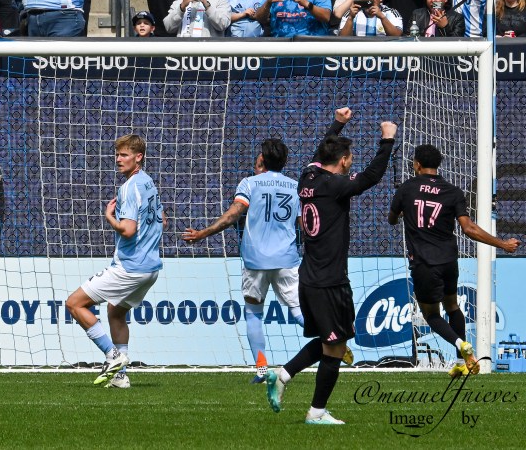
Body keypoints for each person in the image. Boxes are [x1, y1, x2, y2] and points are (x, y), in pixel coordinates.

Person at [267, 108, 397, 425]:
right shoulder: (336, 185)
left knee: (333, 341)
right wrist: (387, 140)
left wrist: (337, 124)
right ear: (343, 161)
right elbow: (372, 176)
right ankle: (316, 412)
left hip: (310, 277)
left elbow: (321, 153)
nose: (352, 161)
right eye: (350, 156)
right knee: (335, 347)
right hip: (329, 282)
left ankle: (283, 376)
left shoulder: (307, 177)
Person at [388, 144, 520, 377]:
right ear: (438, 165)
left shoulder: (407, 188)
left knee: (431, 315)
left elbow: (391, 219)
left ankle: (461, 345)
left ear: (417, 164)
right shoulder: (453, 192)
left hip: (424, 263)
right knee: (452, 306)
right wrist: (503, 244)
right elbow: (468, 228)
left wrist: (402, 212)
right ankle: (461, 362)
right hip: (449, 261)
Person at [183, 138, 303, 382]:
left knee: (253, 314)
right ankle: (332, 339)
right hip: (287, 260)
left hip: (255, 261)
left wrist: (203, 233)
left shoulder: (249, 183)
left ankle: (261, 370)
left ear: (262, 159)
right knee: (299, 311)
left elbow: (233, 214)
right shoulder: (296, 187)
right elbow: (305, 225)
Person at [65, 134, 164, 389]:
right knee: (115, 311)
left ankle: (112, 355)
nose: (119, 159)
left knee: (74, 304)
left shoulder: (129, 188)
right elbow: (162, 219)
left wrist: (109, 216)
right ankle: (121, 377)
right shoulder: (148, 183)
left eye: (124, 155)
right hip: (150, 268)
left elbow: (128, 230)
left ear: (138, 157)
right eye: (117, 155)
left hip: (130, 267)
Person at [338, 0, 403, 37]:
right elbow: (342, 38)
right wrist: (350, 18)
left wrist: (382, 17)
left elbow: (397, 35)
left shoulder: (391, 12)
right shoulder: (351, 13)